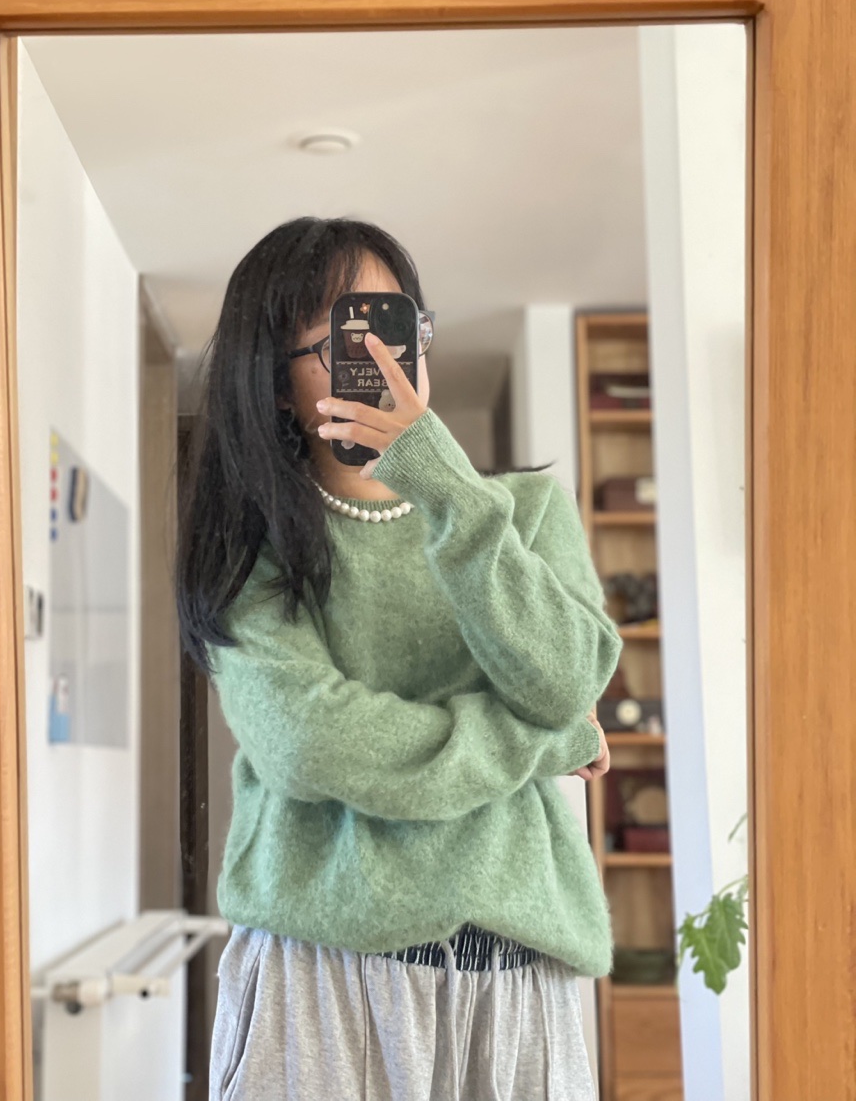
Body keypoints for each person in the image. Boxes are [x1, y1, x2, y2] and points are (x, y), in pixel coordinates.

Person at [175, 217, 621, 1100]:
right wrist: (548, 739)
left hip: (514, 980)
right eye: (345, 339)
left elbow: (568, 678)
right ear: (277, 386)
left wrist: (440, 479)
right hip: (320, 977)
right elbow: (309, 743)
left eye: (397, 325)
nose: (383, 358)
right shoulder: (252, 549)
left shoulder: (526, 512)